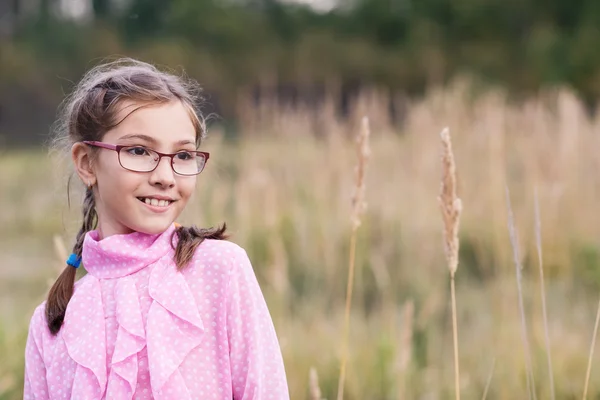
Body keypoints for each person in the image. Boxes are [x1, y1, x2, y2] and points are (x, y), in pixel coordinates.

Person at [23, 58, 289, 399]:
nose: (165, 176)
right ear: (87, 163)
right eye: (138, 151)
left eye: (182, 156)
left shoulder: (220, 270)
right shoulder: (51, 323)